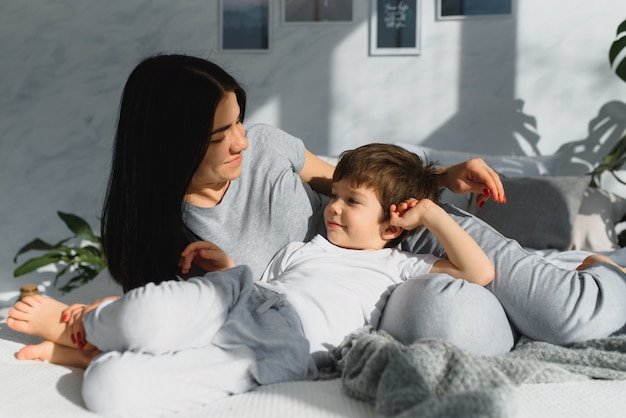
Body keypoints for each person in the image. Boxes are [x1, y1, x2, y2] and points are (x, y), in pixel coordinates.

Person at [7, 143, 506, 416]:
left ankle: (90, 354)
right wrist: (224, 266)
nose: (333, 206)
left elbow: (478, 272)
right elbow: (254, 288)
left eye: (353, 202)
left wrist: (432, 215)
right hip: (247, 300)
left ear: (394, 224)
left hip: (288, 350)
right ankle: (80, 325)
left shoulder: (399, 266)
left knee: (109, 392)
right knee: (152, 312)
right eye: (335, 194)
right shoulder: (303, 248)